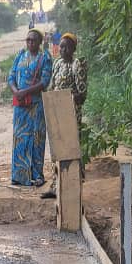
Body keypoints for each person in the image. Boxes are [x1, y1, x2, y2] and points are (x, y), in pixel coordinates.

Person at [41, 32, 89, 199]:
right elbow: (52, 87)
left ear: (73, 49)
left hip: (70, 113)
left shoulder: (77, 65)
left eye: (66, 47)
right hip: (57, 111)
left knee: (70, 149)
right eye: (61, 47)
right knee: (57, 149)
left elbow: (82, 94)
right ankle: (56, 185)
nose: (63, 50)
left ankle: (72, 186)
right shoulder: (58, 63)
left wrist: (65, 98)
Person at [8, 28, 53, 187]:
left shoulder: (44, 58)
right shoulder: (20, 55)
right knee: (20, 138)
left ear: (40, 42)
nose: (30, 42)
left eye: (33, 40)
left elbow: (44, 82)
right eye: (28, 40)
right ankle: (19, 175)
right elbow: (11, 76)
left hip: (36, 106)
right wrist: (16, 91)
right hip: (20, 106)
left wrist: (25, 91)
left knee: (36, 139)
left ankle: (37, 175)